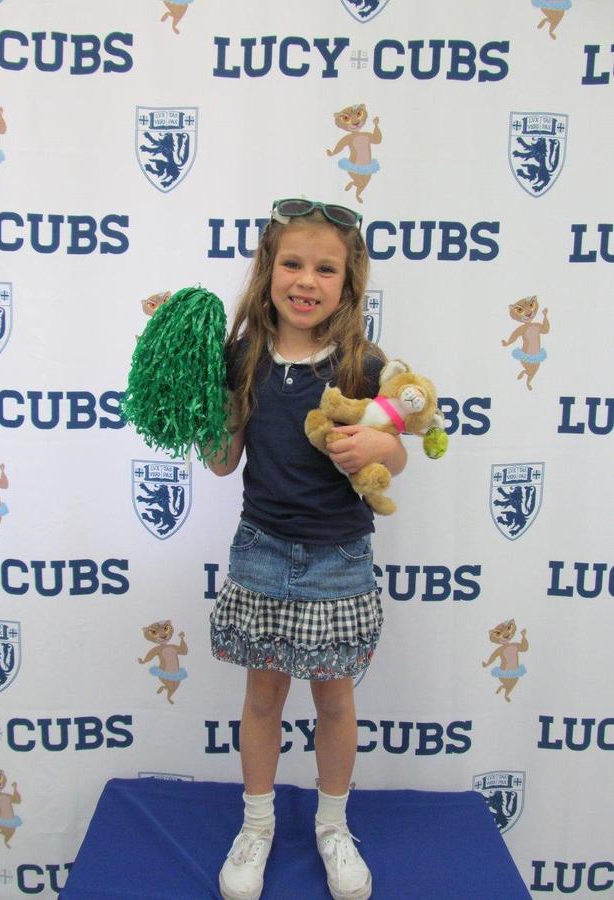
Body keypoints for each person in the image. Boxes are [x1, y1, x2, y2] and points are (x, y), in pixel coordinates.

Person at [206, 197, 407, 900]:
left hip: (337, 559)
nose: (306, 281)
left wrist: (379, 443)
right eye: (292, 263)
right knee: (262, 697)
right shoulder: (243, 357)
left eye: (326, 269)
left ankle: (332, 826)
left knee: (334, 701)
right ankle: (256, 824)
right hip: (260, 552)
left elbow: (398, 455)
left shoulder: (363, 363)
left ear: (348, 284)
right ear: (268, 270)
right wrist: (204, 400)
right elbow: (221, 462)